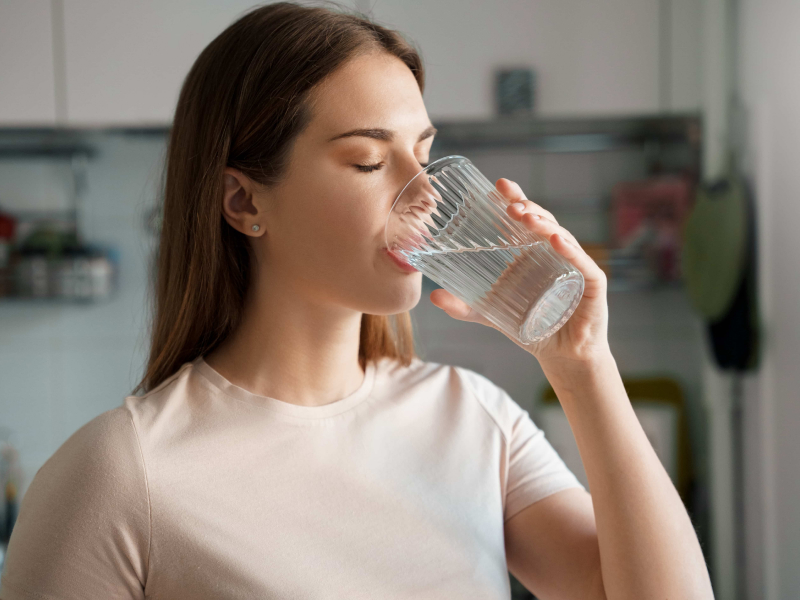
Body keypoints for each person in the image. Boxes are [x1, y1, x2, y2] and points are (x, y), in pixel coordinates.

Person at [0, 2, 714, 599]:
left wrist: (583, 364)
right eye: (369, 161)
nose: (426, 192)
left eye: (425, 154)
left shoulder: (475, 421)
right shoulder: (122, 474)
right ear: (245, 201)